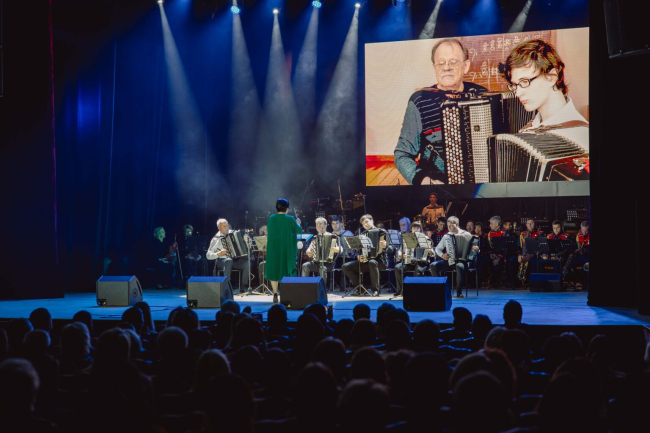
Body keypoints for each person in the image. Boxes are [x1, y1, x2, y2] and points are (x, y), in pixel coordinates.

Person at [394, 38, 488, 185]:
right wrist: (425, 182)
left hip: (481, 182)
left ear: (466, 66)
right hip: (437, 184)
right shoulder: (420, 100)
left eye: (453, 62)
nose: (446, 68)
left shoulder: (482, 95)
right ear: (434, 67)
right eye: (441, 63)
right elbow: (402, 154)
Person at [502, 38, 589, 152]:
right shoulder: (530, 129)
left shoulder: (580, 137)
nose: (518, 93)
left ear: (552, 77)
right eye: (515, 85)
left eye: (525, 81)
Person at [265, 199, 303, 303]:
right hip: (286, 249)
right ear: (287, 208)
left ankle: (275, 293)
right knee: (287, 269)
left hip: (273, 249)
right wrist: (298, 223)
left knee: (274, 271)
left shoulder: (271, 218)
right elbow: (299, 231)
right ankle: (286, 294)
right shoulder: (290, 219)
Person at [430, 216, 478, 297]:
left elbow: (475, 251)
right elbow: (438, 249)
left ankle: (459, 292)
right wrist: (442, 255)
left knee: (459, 266)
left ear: (457, 224)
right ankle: (439, 289)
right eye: (448, 225)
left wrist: (475, 250)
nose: (448, 227)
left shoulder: (466, 234)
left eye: (451, 225)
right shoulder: (447, 236)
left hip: (463, 262)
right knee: (433, 265)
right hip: (450, 261)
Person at [342, 214, 389, 297]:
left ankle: (375, 290)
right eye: (363, 224)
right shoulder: (363, 234)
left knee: (372, 262)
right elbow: (357, 250)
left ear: (372, 221)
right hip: (366, 261)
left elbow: (392, 249)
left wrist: (386, 246)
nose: (365, 225)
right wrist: (358, 256)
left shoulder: (382, 232)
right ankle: (361, 289)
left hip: (381, 261)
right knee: (346, 266)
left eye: (367, 222)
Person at [206, 219, 251, 295]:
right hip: (222, 261)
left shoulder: (233, 233)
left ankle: (243, 287)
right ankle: (227, 287)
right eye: (224, 226)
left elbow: (247, 244)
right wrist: (218, 253)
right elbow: (208, 255)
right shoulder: (215, 239)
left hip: (234, 260)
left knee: (247, 263)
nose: (227, 228)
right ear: (219, 228)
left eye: (227, 225)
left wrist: (247, 240)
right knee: (228, 260)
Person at [394, 221, 433, 295]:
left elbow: (433, 254)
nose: (416, 229)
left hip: (422, 262)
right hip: (410, 262)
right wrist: (401, 255)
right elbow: (400, 251)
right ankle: (401, 290)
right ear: (411, 229)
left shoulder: (426, 239)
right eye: (414, 228)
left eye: (418, 228)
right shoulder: (406, 239)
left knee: (418, 270)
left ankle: (417, 292)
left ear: (420, 229)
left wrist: (430, 251)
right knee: (397, 268)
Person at [301, 217, 340, 285]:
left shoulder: (332, 236)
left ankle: (322, 289)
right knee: (305, 265)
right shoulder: (315, 238)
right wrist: (308, 251)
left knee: (322, 268)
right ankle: (304, 286)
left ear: (325, 225)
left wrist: (338, 249)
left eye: (320, 224)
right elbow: (310, 248)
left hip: (328, 263)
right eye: (317, 224)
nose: (318, 225)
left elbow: (340, 248)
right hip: (316, 262)